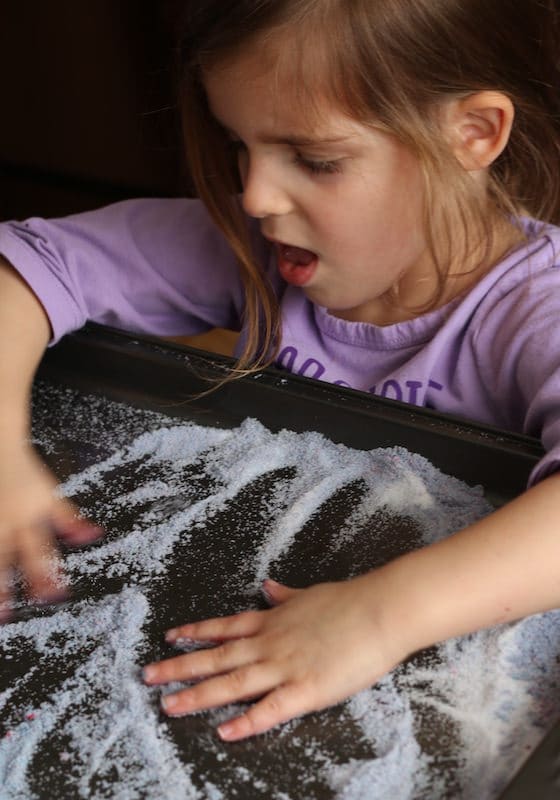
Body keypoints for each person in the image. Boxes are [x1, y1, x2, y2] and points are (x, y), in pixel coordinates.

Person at [2, 0, 560, 741]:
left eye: (315, 160)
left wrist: (380, 615)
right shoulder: (252, 248)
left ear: (472, 133)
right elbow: (28, 266)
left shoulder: (536, 307)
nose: (258, 196)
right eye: (240, 145)